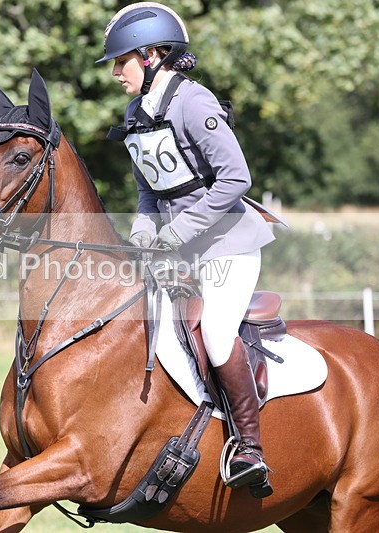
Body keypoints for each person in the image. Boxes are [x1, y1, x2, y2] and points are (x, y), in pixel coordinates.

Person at [97, 2, 276, 497]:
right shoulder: (137, 112)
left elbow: (236, 178)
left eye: (121, 61)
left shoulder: (193, 103)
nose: (115, 73)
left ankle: (249, 448)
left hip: (228, 247)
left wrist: (178, 232)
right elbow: (149, 189)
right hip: (178, 251)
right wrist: (142, 229)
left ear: (151, 54)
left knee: (217, 335)